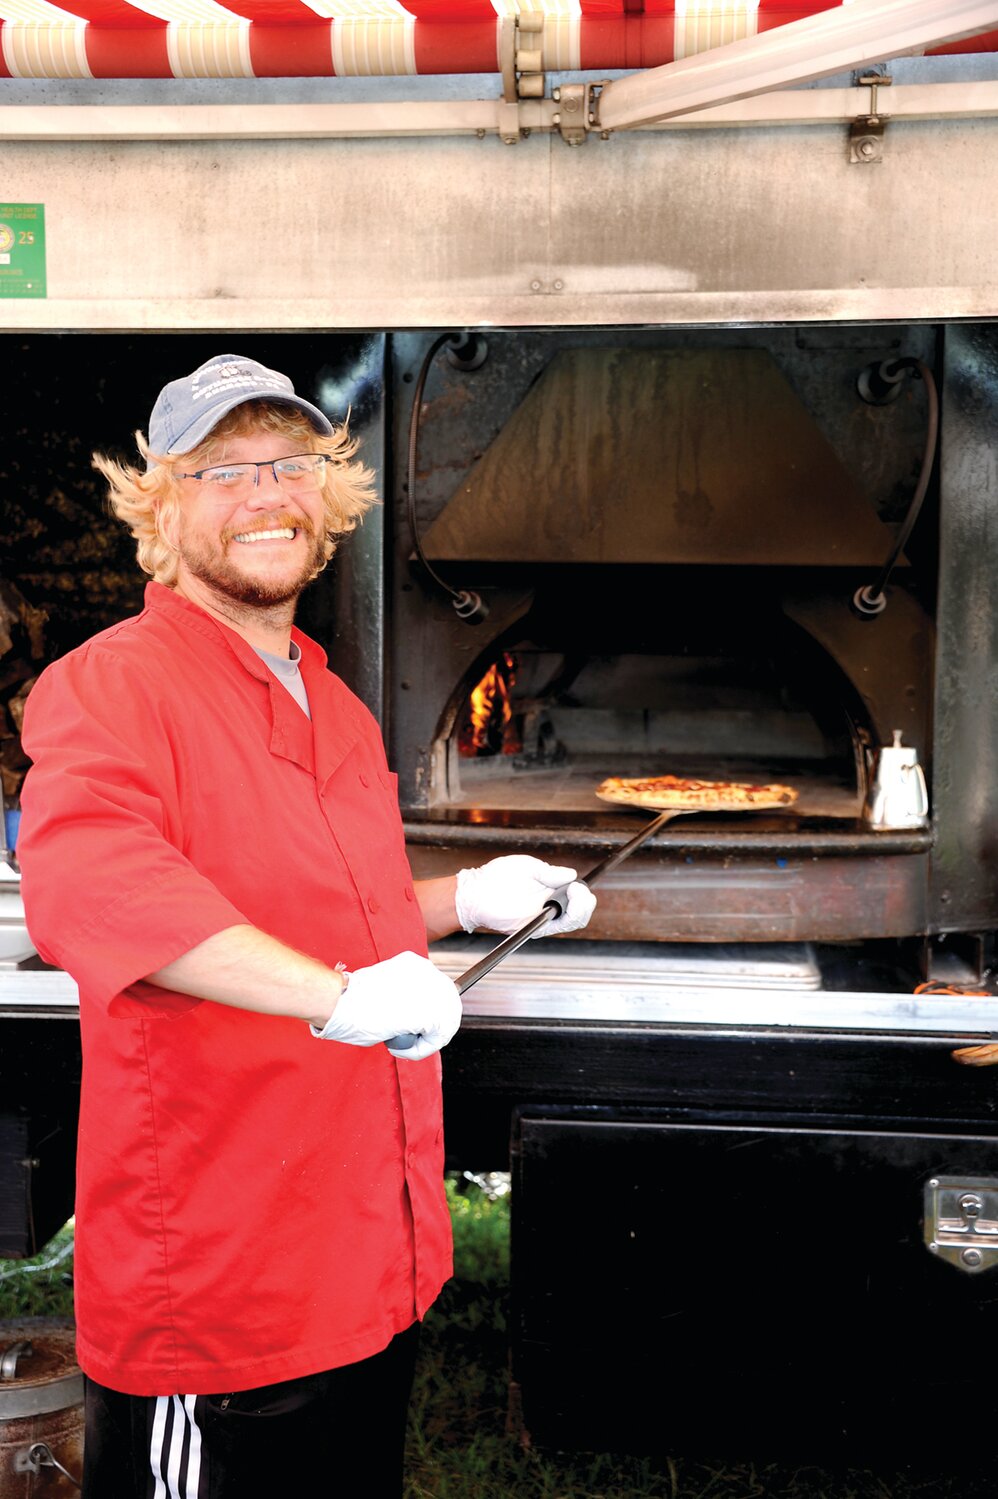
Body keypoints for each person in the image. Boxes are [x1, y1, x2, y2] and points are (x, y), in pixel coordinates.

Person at [16, 353, 596, 1498]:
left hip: (363, 1261)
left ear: (326, 499)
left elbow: (333, 910)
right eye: (221, 469)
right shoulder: (111, 685)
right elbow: (99, 892)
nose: (264, 492)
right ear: (160, 504)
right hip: (222, 1285)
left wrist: (467, 896)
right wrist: (344, 1000)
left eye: (289, 464)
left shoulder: (324, 695)